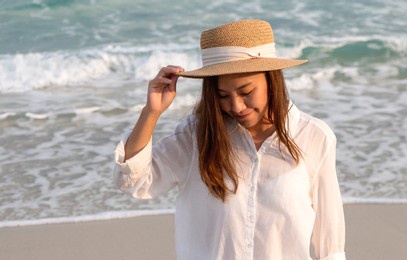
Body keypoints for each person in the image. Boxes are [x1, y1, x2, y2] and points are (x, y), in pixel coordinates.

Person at [114, 19, 346, 260]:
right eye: (223, 95)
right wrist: (151, 112)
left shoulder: (314, 137)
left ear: (272, 80)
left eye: (246, 92)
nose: (236, 106)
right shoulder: (196, 135)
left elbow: (330, 245)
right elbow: (133, 181)